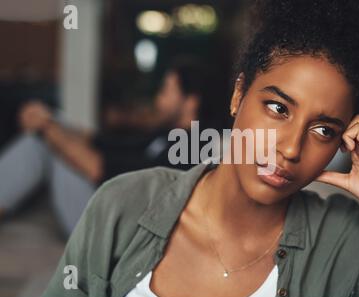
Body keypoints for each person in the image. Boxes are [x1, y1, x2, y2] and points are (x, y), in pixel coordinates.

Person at [44, 0, 359, 297]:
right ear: (238, 95)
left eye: (324, 129)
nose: (290, 148)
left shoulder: (345, 240)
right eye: (277, 108)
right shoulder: (123, 205)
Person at [0, 58, 212, 236]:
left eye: (166, 91)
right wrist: (50, 120)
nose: (159, 98)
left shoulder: (189, 148)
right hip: (109, 211)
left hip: (117, 232)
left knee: (46, 143)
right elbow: (100, 141)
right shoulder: (164, 135)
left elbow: (97, 169)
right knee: (54, 129)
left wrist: (46, 127)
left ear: (190, 102)